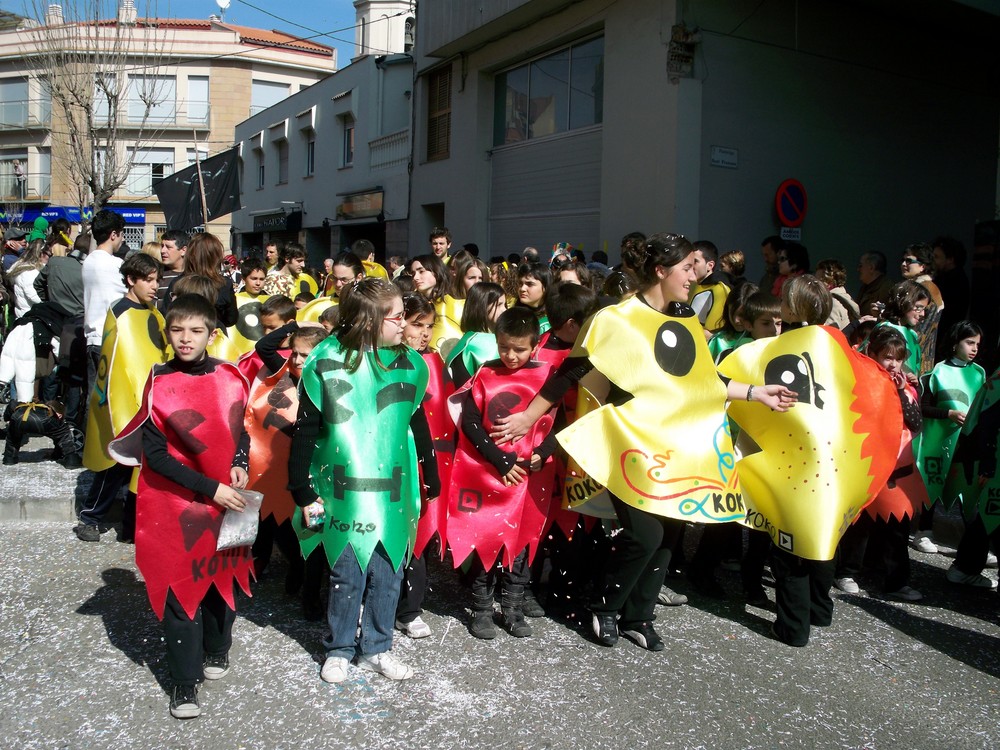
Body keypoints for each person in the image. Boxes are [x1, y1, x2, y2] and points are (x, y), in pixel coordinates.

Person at [492, 233, 794, 651]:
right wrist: (529, 414)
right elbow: (573, 372)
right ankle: (604, 606)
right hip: (630, 441)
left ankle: (640, 615)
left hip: (679, 444)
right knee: (645, 535)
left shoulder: (686, 317)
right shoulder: (615, 318)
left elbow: (704, 380)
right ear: (660, 270)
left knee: (669, 532)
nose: (696, 274)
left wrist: (755, 392)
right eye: (688, 267)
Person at [108, 293, 255, 719]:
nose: (186, 339)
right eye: (177, 330)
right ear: (167, 333)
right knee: (180, 588)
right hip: (176, 501)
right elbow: (156, 456)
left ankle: (217, 648)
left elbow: (240, 428)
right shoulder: (158, 380)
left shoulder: (230, 376)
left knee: (220, 577)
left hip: (226, 498)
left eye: (195, 330)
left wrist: (240, 463)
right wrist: (211, 487)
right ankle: (184, 683)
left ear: (212, 333)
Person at [288, 278, 430, 684]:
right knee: (346, 571)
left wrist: (430, 473)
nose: (404, 325)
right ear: (369, 321)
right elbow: (305, 430)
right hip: (341, 492)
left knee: (389, 572)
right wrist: (300, 487)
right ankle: (339, 647)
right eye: (398, 317)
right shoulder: (325, 360)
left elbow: (416, 420)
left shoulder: (408, 362)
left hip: (392, 490)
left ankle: (378, 646)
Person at [447, 307, 559, 639]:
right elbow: (468, 422)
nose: (510, 356)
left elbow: (562, 422)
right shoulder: (485, 374)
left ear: (535, 345)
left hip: (527, 477)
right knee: (486, 539)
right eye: (504, 347)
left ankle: (512, 607)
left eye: (519, 349)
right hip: (489, 473)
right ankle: (481, 608)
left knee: (521, 543)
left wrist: (543, 452)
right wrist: (499, 459)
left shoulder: (547, 377)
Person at [76, 253, 167, 543]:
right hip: (124, 404)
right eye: (148, 280)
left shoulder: (153, 312)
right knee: (115, 465)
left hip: (148, 401)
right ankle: (90, 517)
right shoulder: (121, 314)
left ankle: (131, 527)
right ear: (131, 280)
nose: (154, 286)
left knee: (142, 468)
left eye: (157, 280)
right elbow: (113, 365)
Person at [835, 326, 926, 601]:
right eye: (887, 357)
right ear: (871, 354)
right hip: (866, 463)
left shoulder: (907, 388)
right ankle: (847, 572)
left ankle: (896, 581)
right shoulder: (861, 382)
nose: (893, 363)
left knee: (897, 524)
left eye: (898, 358)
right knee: (859, 523)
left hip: (897, 467)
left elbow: (916, 422)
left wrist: (900, 392)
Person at [246, 319, 330, 620]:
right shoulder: (284, 375)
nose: (296, 360)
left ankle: (312, 592)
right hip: (280, 474)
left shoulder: (327, 382)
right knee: (282, 528)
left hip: (315, 476)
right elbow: (264, 346)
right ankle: (295, 567)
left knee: (314, 533)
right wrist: (295, 324)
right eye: (294, 353)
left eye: (305, 355)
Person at [912, 321, 986, 555]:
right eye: (969, 342)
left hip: (966, 442)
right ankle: (924, 532)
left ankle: (971, 544)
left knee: (967, 489)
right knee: (933, 484)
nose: (974, 348)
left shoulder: (980, 373)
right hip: (939, 442)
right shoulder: (938, 372)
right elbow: (924, 408)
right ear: (955, 343)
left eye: (977, 344)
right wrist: (948, 414)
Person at [397, 292, 445, 639]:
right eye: (418, 325)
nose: (425, 333)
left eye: (430, 326)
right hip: (390, 460)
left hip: (426, 461)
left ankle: (410, 609)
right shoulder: (388, 360)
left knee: (419, 537)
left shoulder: (437, 362)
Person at [169, 234, 238, 329]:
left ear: (189, 255)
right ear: (216, 257)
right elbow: (231, 319)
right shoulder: (224, 284)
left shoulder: (177, 282)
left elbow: (167, 314)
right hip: (215, 337)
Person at [446, 282, 506, 388]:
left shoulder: (466, 340)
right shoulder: (483, 343)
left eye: (505, 305)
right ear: (482, 306)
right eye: (499, 305)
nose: (505, 310)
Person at [900, 242, 944, 373]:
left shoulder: (925, 289)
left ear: (923, 266)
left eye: (909, 260)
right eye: (902, 260)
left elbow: (919, 331)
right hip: (913, 357)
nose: (903, 264)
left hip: (913, 360)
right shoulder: (918, 287)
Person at [3, 398, 80, 467]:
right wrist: (57, 455)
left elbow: (12, 404)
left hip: (19, 418)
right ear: (59, 414)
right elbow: (59, 439)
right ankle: (72, 460)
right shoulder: (52, 416)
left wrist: (7, 418)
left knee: (12, 436)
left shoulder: (24, 405)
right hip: (43, 421)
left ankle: (9, 458)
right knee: (63, 434)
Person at [931, 236, 971, 363]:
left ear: (950, 259)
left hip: (944, 339)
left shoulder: (955, 282)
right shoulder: (944, 278)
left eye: (937, 257)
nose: (933, 261)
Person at [688, 240, 731, 334]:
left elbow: (713, 333)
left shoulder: (719, 289)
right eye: (689, 261)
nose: (691, 266)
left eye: (696, 261)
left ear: (710, 265)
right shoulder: (694, 285)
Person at [7, 239, 50, 320]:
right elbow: (33, 296)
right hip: (29, 316)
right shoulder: (30, 272)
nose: (51, 256)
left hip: (27, 314)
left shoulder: (25, 268)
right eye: (49, 254)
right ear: (41, 254)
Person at [815, 259, 860, 330]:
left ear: (830, 282)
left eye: (818, 281)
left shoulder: (832, 303)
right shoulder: (845, 298)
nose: (815, 286)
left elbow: (829, 333)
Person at [514, 261, 551, 334]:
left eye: (530, 284)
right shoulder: (513, 315)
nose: (522, 289)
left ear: (545, 287)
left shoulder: (551, 322)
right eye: (520, 283)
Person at [157, 230, 189, 308]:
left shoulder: (193, 275)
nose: (162, 251)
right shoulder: (156, 274)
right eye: (162, 246)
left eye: (168, 247)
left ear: (183, 250)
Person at [856, 251, 894, 317]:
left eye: (860, 266)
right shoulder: (865, 287)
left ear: (871, 268)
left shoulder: (887, 289)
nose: (858, 269)